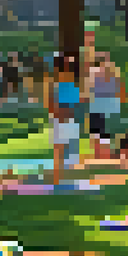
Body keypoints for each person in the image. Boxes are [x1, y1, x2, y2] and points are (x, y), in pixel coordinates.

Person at [47, 53, 82, 186]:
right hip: (62, 119)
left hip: (69, 119)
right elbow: (52, 104)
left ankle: (66, 178)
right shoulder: (56, 85)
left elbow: (75, 104)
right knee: (61, 149)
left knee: (70, 150)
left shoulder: (71, 85)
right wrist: (58, 115)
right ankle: (58, 178)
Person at [87, 58, 128, 160]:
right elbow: (121, 90)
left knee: (98, 132)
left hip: (99, 105)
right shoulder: (114, 74)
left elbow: (89, 89)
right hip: (108, 105)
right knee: (105, 132)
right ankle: (104, 154)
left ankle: (99, 154)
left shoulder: (94, 73)